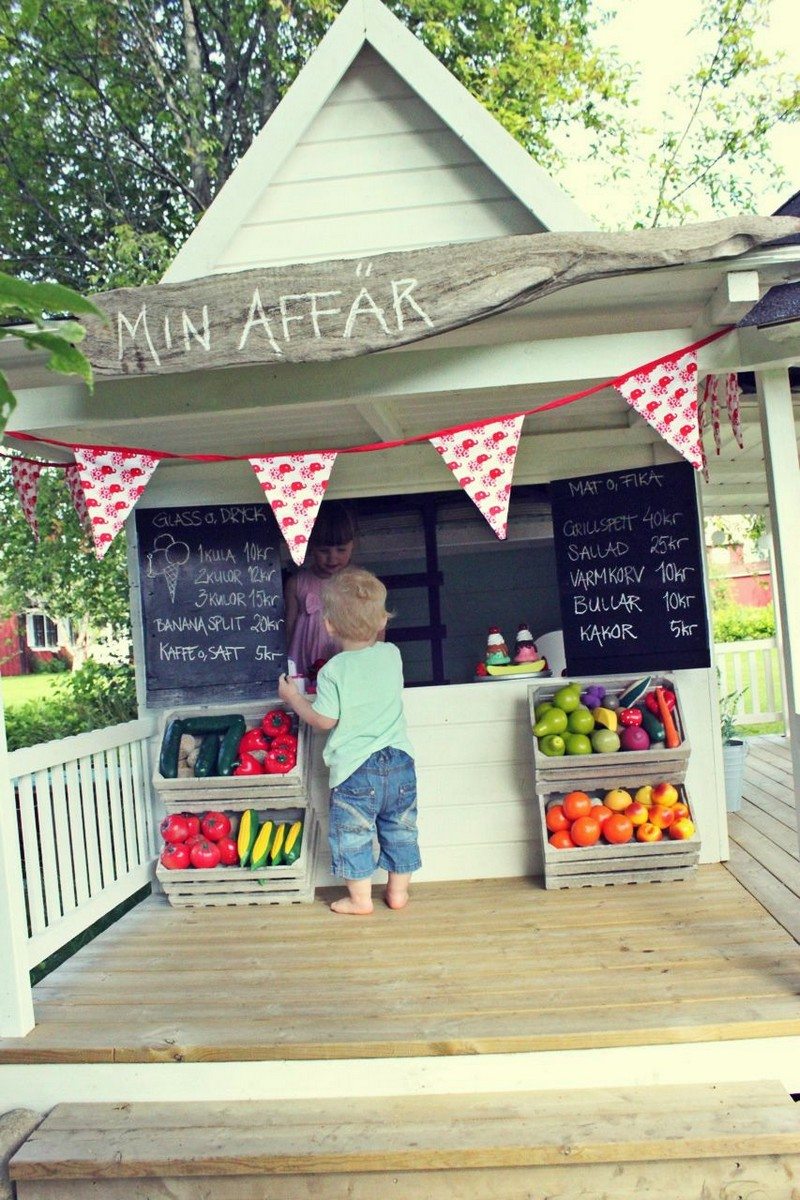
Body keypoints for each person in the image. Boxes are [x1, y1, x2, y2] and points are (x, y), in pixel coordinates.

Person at [278, 567, 421, 916]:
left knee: (354, 834)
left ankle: (360, 900)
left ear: (328, 625)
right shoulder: (392, 656)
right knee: (399, 827)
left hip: (356, 769)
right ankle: (398, 894)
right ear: (382, 621)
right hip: (400, 761)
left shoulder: (333, 671)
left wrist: (293, 700)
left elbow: (325, 721)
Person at [283, 502, 357, 679]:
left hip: (344, 663)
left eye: (341, 550)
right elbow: (288, 629)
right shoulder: (297, 584)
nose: (333, 558)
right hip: (304, 662)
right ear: (310, 547)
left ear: (352, 545)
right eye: (324, 550)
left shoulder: (359, 584)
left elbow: (376, 628)